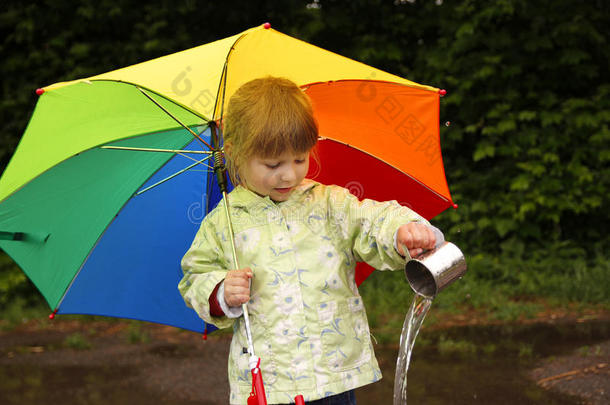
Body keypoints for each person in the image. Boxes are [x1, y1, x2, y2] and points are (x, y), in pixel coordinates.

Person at [179, 76, 442, 404]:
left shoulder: (329, 205)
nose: (288, 174)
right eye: (273, 164)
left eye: (299, 159)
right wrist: (220, 291)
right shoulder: (223, 223)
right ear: (234, 153)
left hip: (333, 375)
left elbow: (371, 221)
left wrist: (401, 232)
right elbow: (196, 276)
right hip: (268, 385)